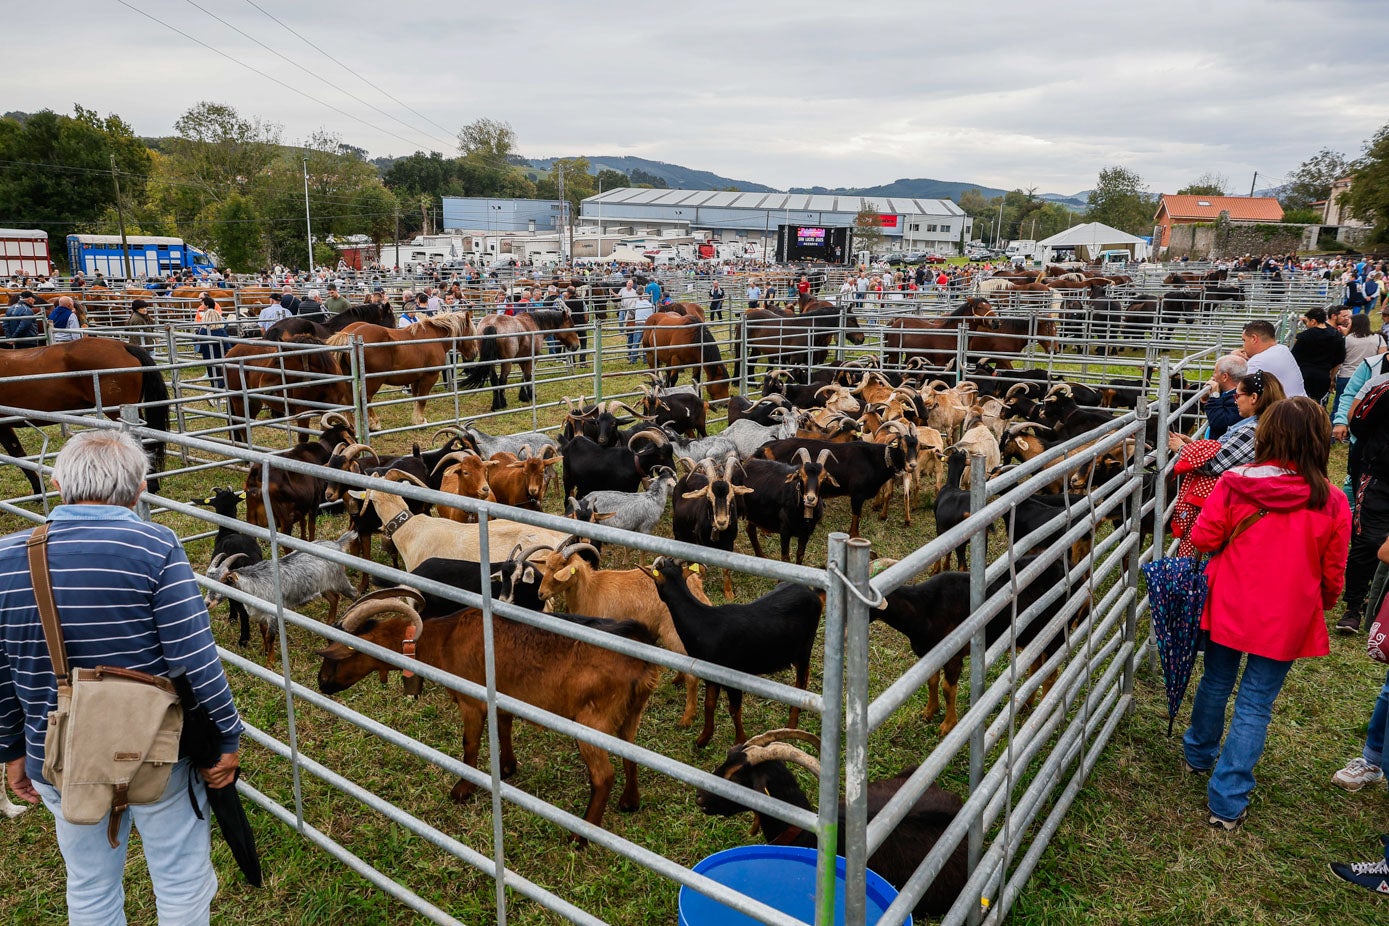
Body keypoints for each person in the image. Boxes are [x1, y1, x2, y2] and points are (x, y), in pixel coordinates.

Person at [0, 429, 243, 924]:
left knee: (89, 881)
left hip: (57, 750)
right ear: (139, 490)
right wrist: (226, 736)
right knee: (179, 874)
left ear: (56, 482)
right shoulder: (156, 546)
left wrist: (11, 750)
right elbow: (193, 656)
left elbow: (4, 670)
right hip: (155, 749)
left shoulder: (5, 559)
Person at [1182, 397, 1350, 829]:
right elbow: (1333, 568)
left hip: (1230, 600)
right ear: (1317, 442)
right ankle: (1227, 800)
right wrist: (1324, 602)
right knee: (1256, 703)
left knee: (1217, 680)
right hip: (1287, 611)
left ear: (1267, 433)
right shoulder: (1332, 501)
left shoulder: (1236, 483)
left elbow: (1203, 538)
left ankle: (1198, 754)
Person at [1291, 307, 1345, 404]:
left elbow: (1293, 358)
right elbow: (1339, 360)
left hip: (1304, 376)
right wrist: (1331, 378)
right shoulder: (1337, 336)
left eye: (1307, 321)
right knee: (1317, 404)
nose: (1306, 324)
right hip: (1323, 377)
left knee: (1301, 404)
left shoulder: (1304, 336)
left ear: (1313, 321)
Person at [1238, 320, 1306, 397]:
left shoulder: (1257, 361)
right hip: (1299, 404)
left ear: (1254, 338)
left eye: (1244, 340)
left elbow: (1243, 394)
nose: (1243, 346)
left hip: (1285, 407)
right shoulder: (1283, 349)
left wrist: (1233, 360)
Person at [1336, 313, 1383, 407]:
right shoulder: (1378, 338)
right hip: (1369, 377)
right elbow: (1381, 357)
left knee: (1341, 405)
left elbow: (1339, 359)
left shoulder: (1347, 339)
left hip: (1346, 375)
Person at [1203, 354, 1248, 441]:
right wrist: (1207, 397)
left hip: (1223, 448)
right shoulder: (1229, 393)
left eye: (1215, 372)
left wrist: (1214, 396)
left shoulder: (1239, 399)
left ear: (1225, 377)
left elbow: (1218, 423)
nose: (1213, 376)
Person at [195, 295, 228, 388]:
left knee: (211, 372)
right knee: (221, 373)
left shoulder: (203, 331)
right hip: (220, 356)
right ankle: (220, 389)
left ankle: (215, 388)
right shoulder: (221, 331)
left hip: (207, 356)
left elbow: (200, 345)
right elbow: (227, 345)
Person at [628, 293, 653, 362]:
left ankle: (633, 359)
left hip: (638, 323)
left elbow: (630, 309)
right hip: (647, 324)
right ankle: (645, 359)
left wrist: (636, 314)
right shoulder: (651, 305)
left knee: (636, 342)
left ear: (642, 298)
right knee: (646, 342)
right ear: (648, 298)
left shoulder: (637, 303)